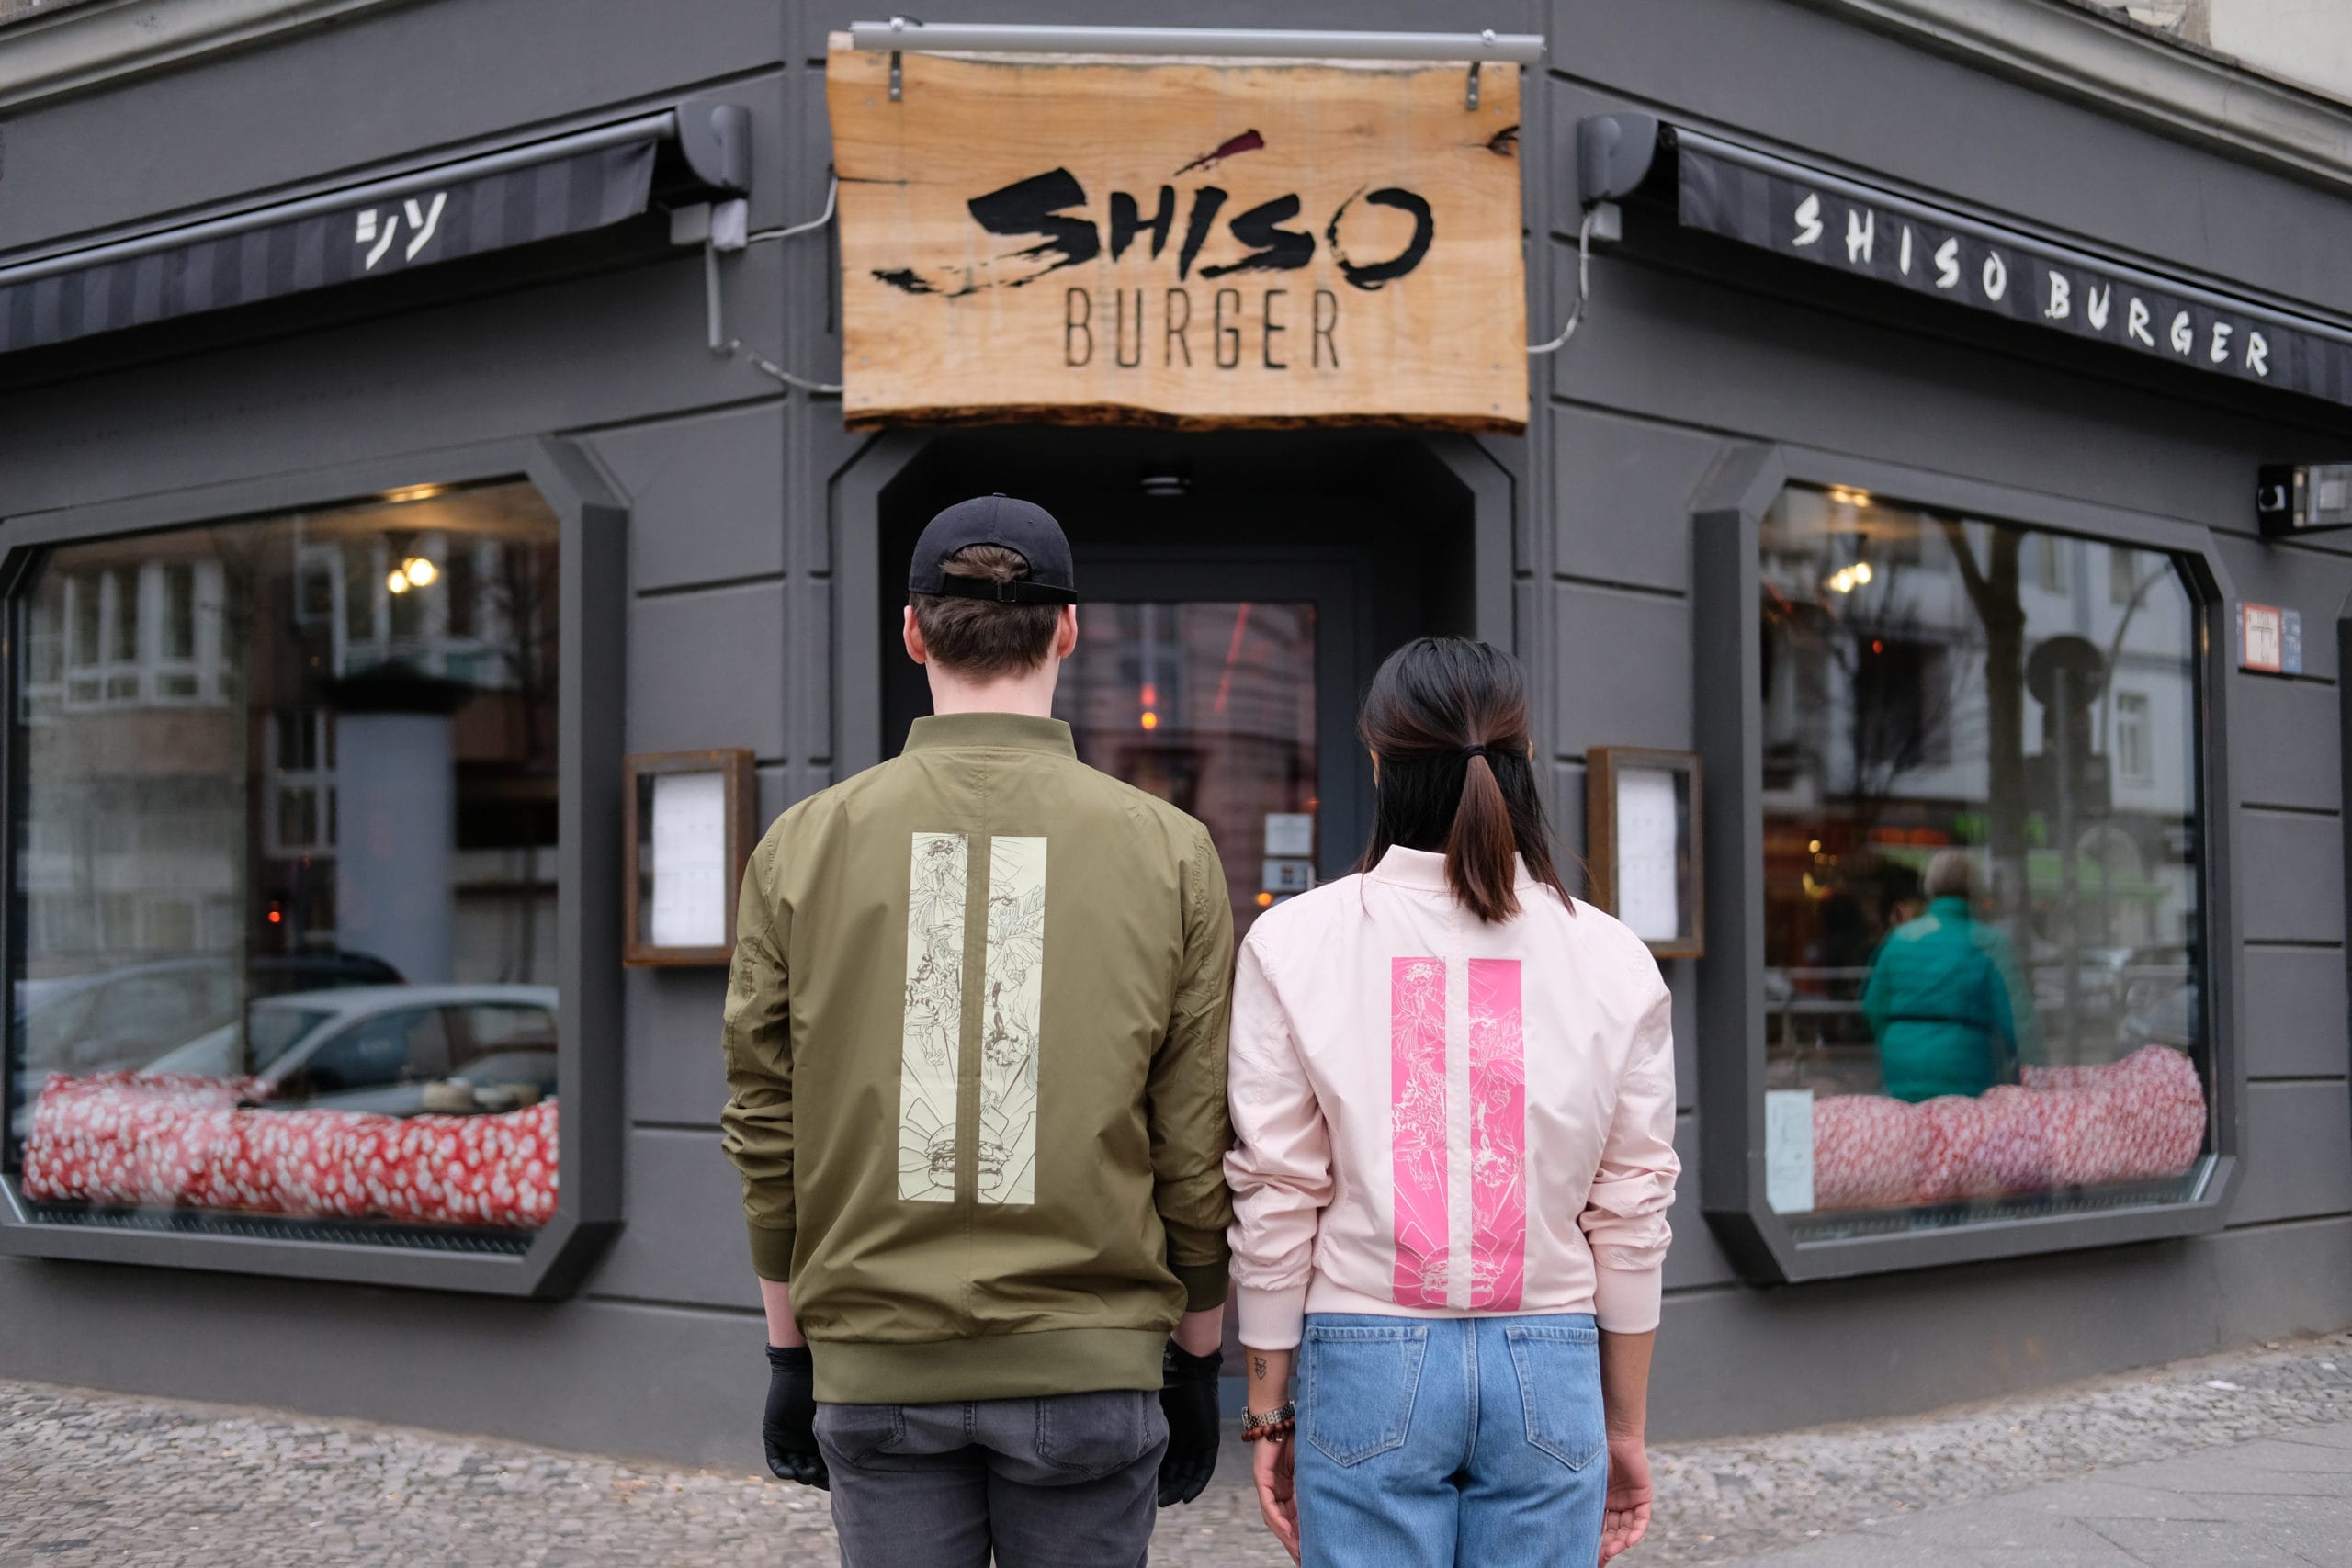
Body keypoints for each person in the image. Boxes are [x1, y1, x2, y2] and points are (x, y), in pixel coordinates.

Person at [720, 494, 1235, 1567]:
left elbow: (767, 1125)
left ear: (913, 631)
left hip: (875, 1362)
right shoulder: (1171, 851)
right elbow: (1193, 1140)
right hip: (1090, 1366)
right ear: (1068, 630)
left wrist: (788, 1353)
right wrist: (1198, 1355)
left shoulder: (802, 845)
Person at [1224, 637, 1680, 1568]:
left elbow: (1276, 1192)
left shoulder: (1294, 942)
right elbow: (1633, 1207)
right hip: (1550, 1354)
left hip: (1366, 1345)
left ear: (1380, 762)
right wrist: (1624, 1426)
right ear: (1522, 760)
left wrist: (1268, 1407)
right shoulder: (1612, 955)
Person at [1861, 849, 2041, 1101]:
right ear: (1975, 889)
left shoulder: (1899, 939)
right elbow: (2019, 1020)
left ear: (1929, 887)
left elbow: (1873, 1005)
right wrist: (2039, 1074)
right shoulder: (1990, 943)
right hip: (1965, 1069)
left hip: (1901, 1067)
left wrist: (1899, 1042)